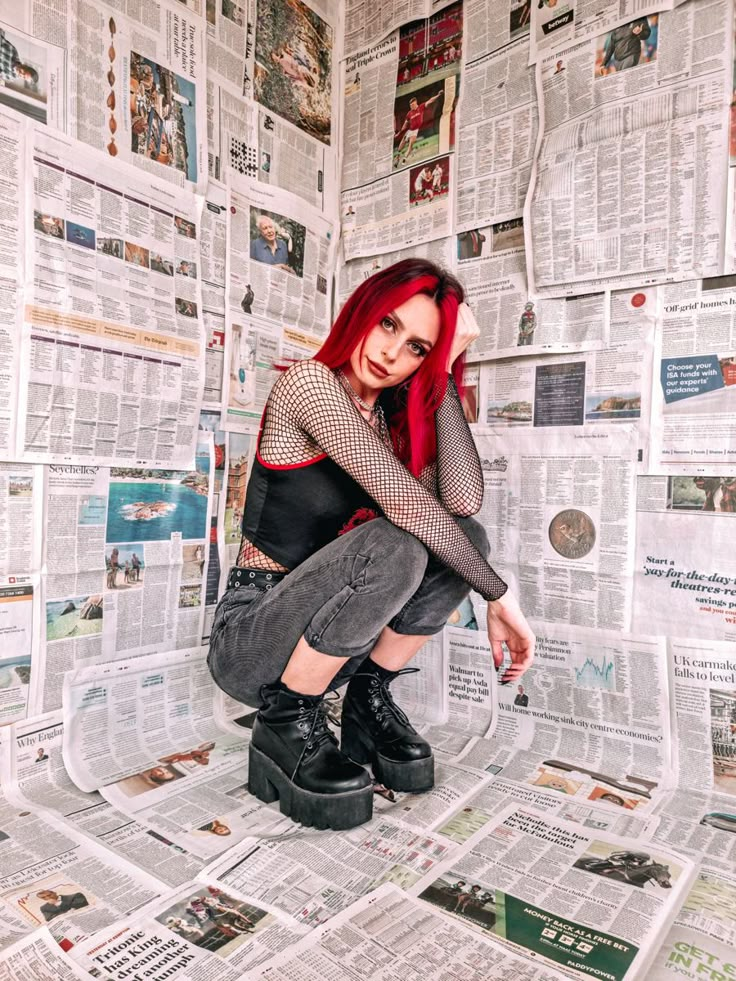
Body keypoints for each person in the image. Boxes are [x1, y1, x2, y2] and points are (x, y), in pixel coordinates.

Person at [207, 259, 535, 833]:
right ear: (363, 309)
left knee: (466, 540)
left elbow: (460, 500)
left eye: (415, 347)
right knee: (398, 542)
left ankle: (366, 699)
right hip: (254, 638)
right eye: (387, 324)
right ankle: (286, 722)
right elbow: (409, 510)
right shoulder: (308, 385)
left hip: (337, 648)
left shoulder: (387, 418)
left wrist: (448, 369)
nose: (390, 353)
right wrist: (498, 597)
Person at [395, 92, 442, 165]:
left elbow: (430, 100)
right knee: (401, 145)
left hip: (415, 131)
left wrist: (438, 95)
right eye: (410, 105)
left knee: (410, 145)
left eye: (412, 105)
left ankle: (404, 159)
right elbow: (405, 124)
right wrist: (399, 132)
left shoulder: (421, 107)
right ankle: (397, 157)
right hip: (409, 130)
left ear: (416, 103)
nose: (411, 106)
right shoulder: (409, 113)